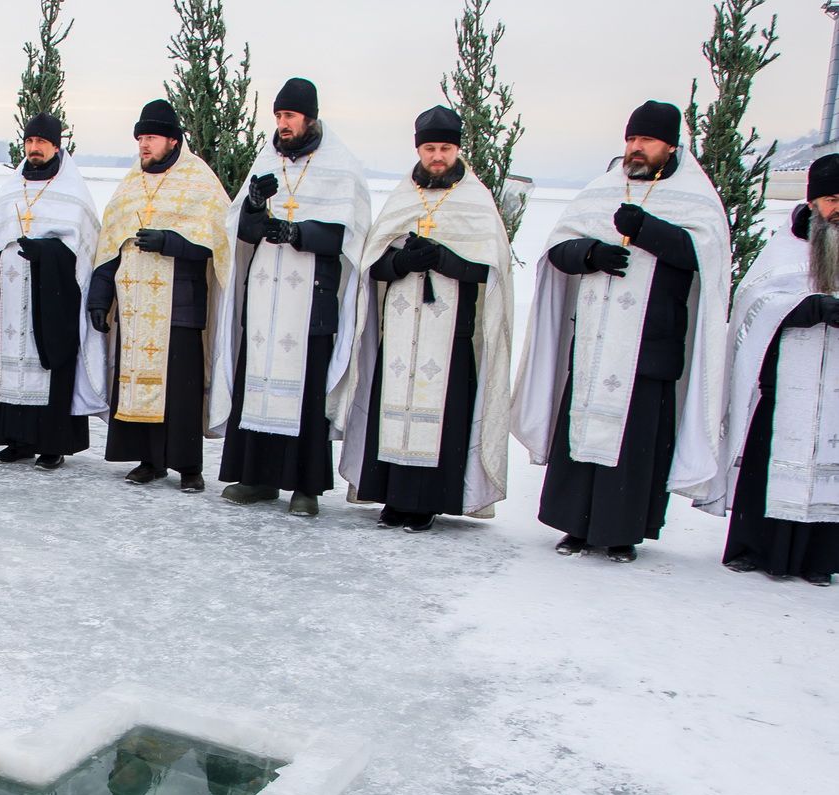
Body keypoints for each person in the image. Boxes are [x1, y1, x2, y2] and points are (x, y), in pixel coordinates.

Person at [513, 100, 731, 563]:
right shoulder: (603, 189)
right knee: (581, 437)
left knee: (636, 445)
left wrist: (647, 229)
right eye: (631, 139)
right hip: (595, 342)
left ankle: (622, 532)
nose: (636, 148)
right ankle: (574, 525)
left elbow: (701, 258)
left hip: (650, 345)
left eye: (646, 140)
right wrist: (590, 254)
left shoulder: (695, 197)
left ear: (670, 146)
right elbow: (557, 250)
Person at [332, 106, 514, 531]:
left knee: (441, 417)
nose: (437, 156)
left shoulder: (475, 201)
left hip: (449, 334)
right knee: (391, 410)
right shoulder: (402, 199)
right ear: (418, 150)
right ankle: (392, 495)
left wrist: (445, 259)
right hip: (398, 331)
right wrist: (402, 262)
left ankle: (427, 501)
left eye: (445, 148)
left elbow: (491, 270)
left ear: (457, 150)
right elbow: (373, 265)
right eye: (430, 148)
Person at [210, 78, 370, 516]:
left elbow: (346, 236)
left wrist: (297, 232)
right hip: (265, 297)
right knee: (257, 383)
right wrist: (254, 206)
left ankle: (305, 487)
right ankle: (256, 477)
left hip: (311, 300)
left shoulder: (341, 168)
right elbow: (243, 233)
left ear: (310, 118)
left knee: (306, 392)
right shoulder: (266, 160)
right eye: (279, 116)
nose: (283, 124)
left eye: (290, 116)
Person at [706, 155, 839, 587]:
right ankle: (754, 547)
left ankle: (819, 558)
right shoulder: (787, 245)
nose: (838, 208)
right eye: (831, 198)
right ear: (812, 201)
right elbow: (754, 304)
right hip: (784, 382)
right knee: (768, 461)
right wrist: (805, 308)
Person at [86, 99, 231, 493]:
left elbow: (215, 243)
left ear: (173, 140)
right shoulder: (130, 185)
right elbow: (110, 247)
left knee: (181, 391)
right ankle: (149, 460)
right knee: (136, 384)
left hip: (180, 305)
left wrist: (171, 241)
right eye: (140, 139)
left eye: (151, 137)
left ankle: (189, 467)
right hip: (134, 306)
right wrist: (100, 299)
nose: (144, 145)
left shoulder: (199, 180)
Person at [0, 112, 103, 470]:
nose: (34, 148)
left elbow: (83, 254)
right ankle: (16, 440)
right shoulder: (9, 192)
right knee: (9, 367)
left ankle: (53, 444)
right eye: (29, 141)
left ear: (56, 147)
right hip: (7, 298)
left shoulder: (73, 196)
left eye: (42, 142)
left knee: (49, 366)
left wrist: (46, 253)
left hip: (51, 302)